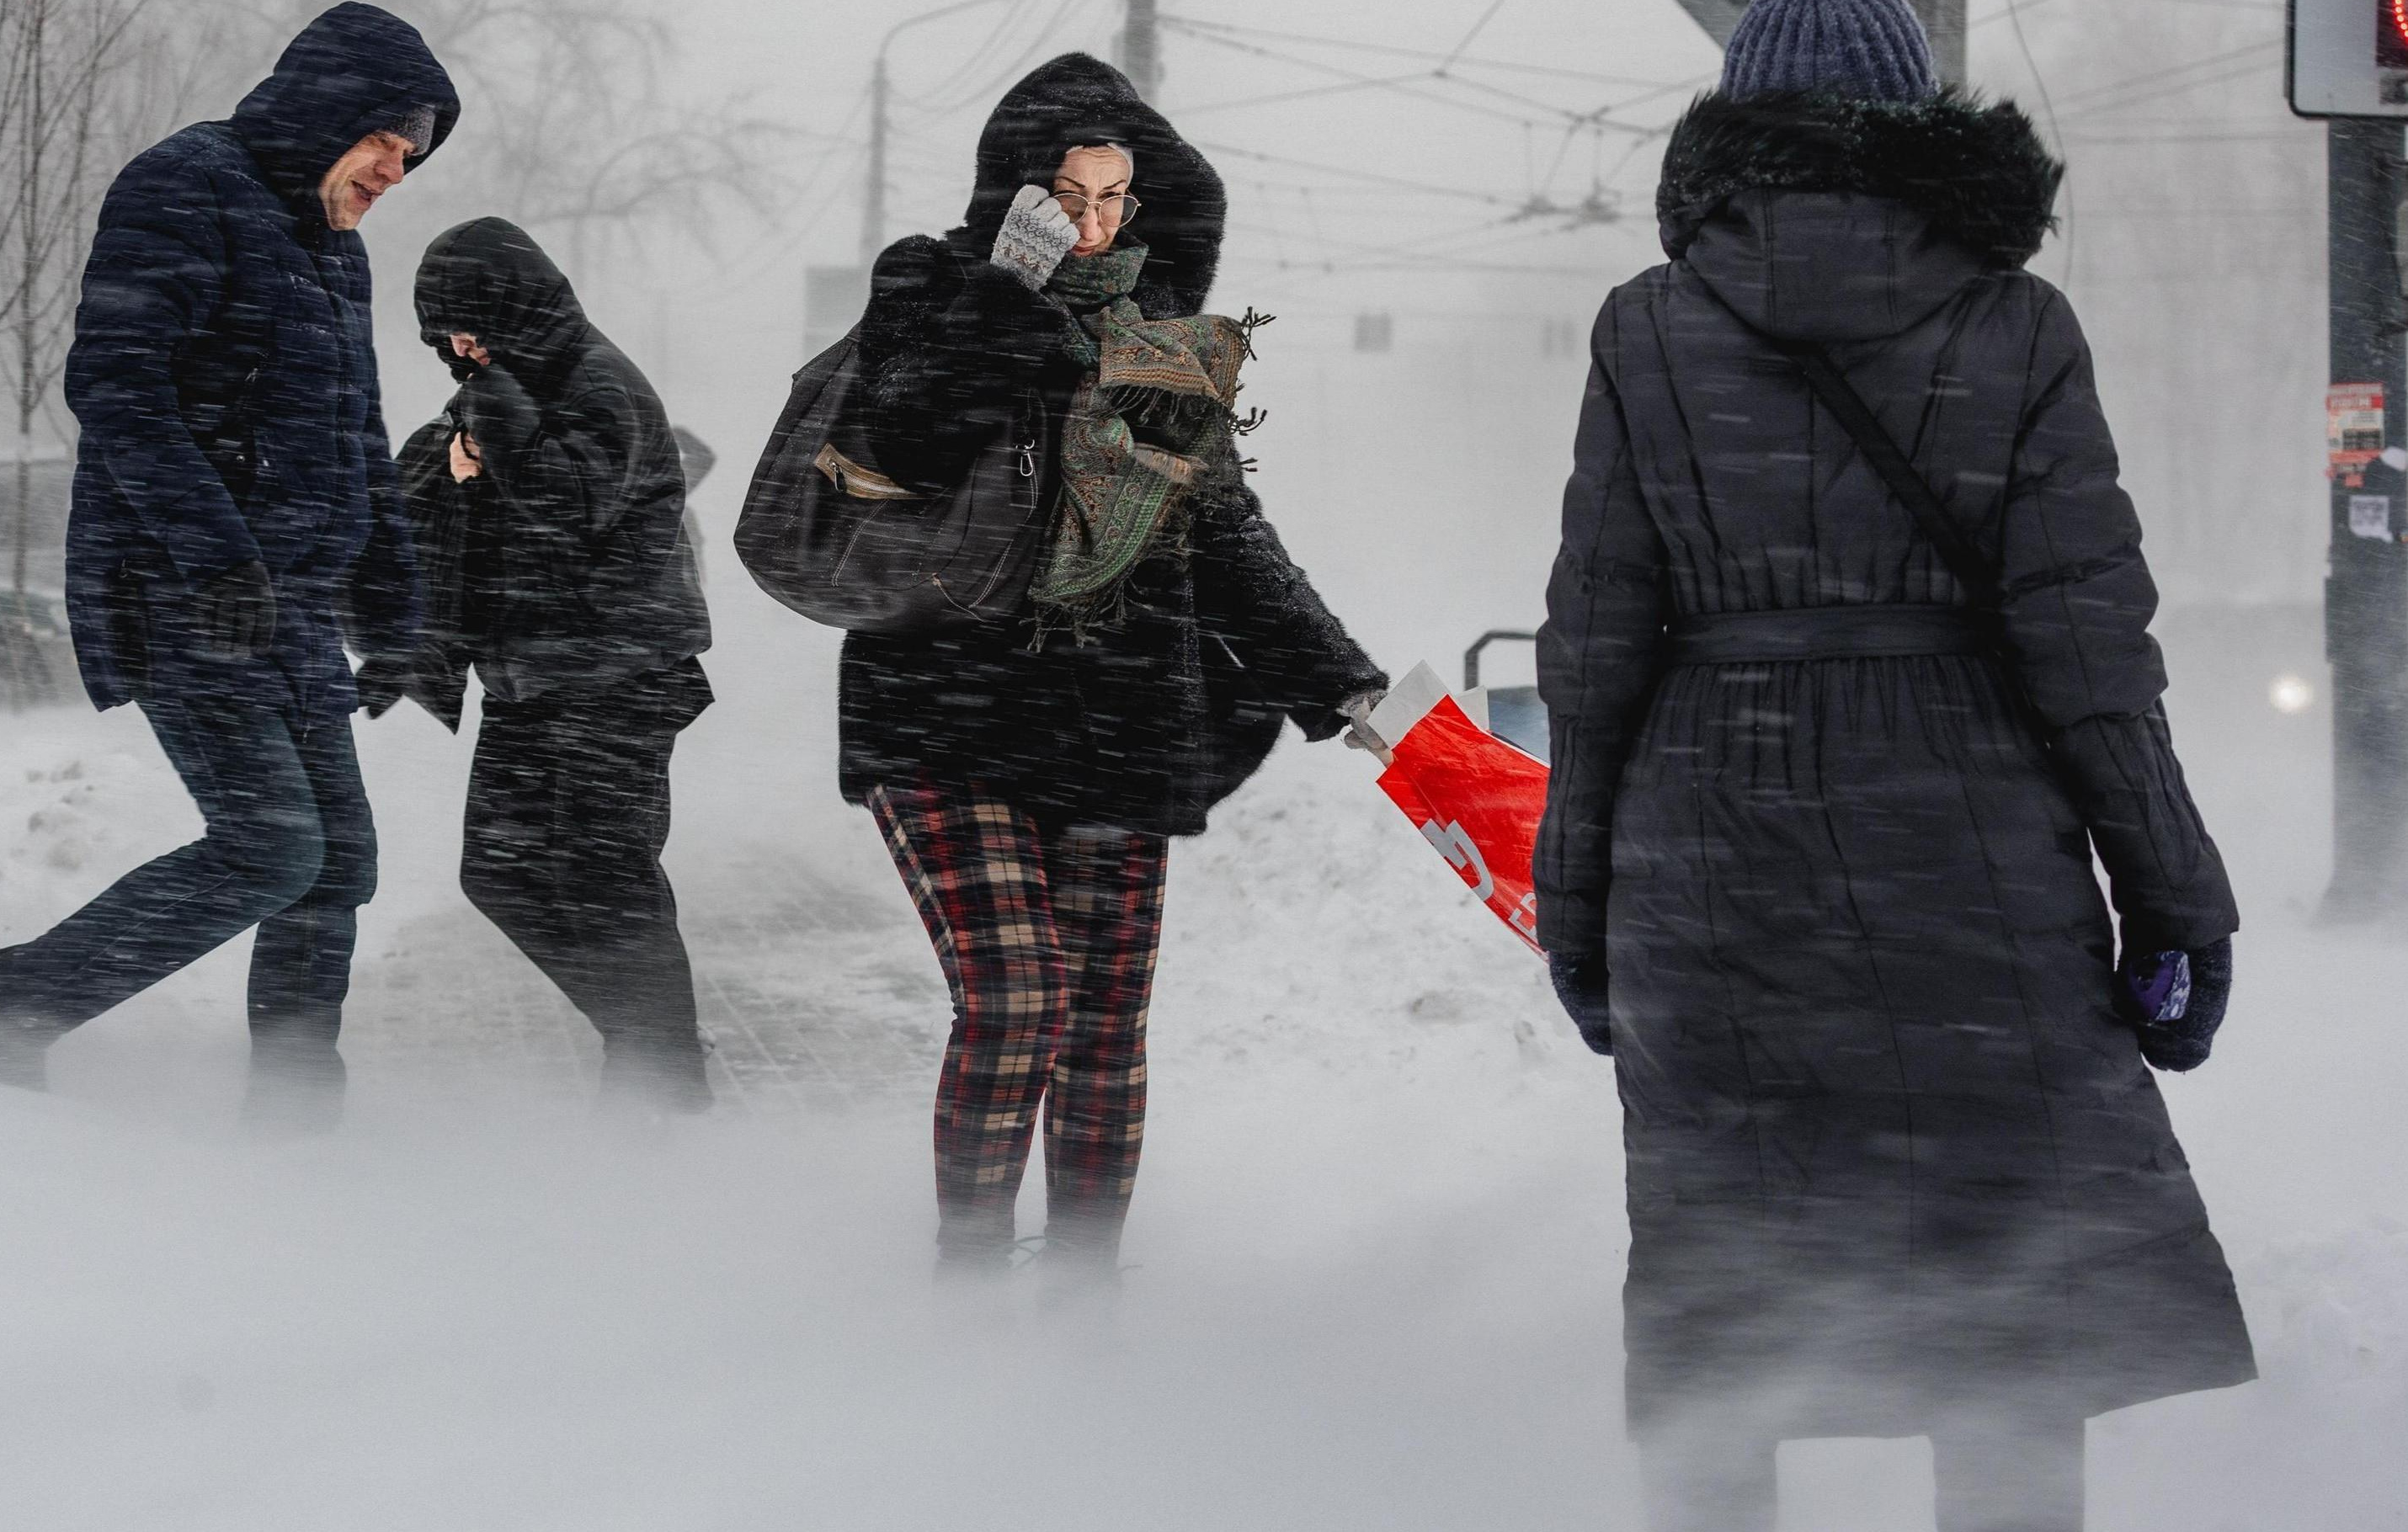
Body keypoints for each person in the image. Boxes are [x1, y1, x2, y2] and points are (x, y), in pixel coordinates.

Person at [1533, 1, 2253, 1527]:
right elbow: (2090, 648)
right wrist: (2175, 894)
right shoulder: (2017, 326)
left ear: (1733, 125)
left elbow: (1594, 646)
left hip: (1705, 854)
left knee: (1729, 1277)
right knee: (2004, 1295)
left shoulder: (1647, 328)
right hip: (1968, 847)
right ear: (1923, 117)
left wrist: (1580, 896)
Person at [839, 54, 1387, 1284]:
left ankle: (1085, 1295)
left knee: (1099, 1028)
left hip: (1117, 709)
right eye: (1064, 198)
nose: (1089, 226)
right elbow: (896, 441)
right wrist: (1005, 294)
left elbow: (1226, 533)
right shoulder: (926, 286)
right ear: (1013, 197)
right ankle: (970, 1280)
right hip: (943, 703)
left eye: (1112, 201)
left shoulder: (1164, 348)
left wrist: (1341, 684)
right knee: (1018, 995)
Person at [0, 3, 456, 1130]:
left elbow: (356, 442)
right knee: (272, 847)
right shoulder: (185, 185)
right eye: (384, 144)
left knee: (338, 861)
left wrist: (400, 621)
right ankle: (4, 1000)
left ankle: (296, 1115)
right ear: (330, 114)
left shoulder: (334, 252)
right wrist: (215, 556)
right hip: (183, 593)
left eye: (409, 158)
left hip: (291, 608)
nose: (393, 173)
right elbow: (115, 384)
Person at [363, 216, 716, 1114]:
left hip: (617, 679)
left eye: (468, 322)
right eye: (442, 332)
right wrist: (412, 640)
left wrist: (492, 425)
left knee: (611, 881)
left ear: (518, 304)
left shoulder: (599, 384)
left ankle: (661, 1078)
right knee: (500, 871)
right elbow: (474, 537)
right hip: (530, 681)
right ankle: (651, 1038)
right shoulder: (501, 385)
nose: (458, 345)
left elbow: (567, 509)